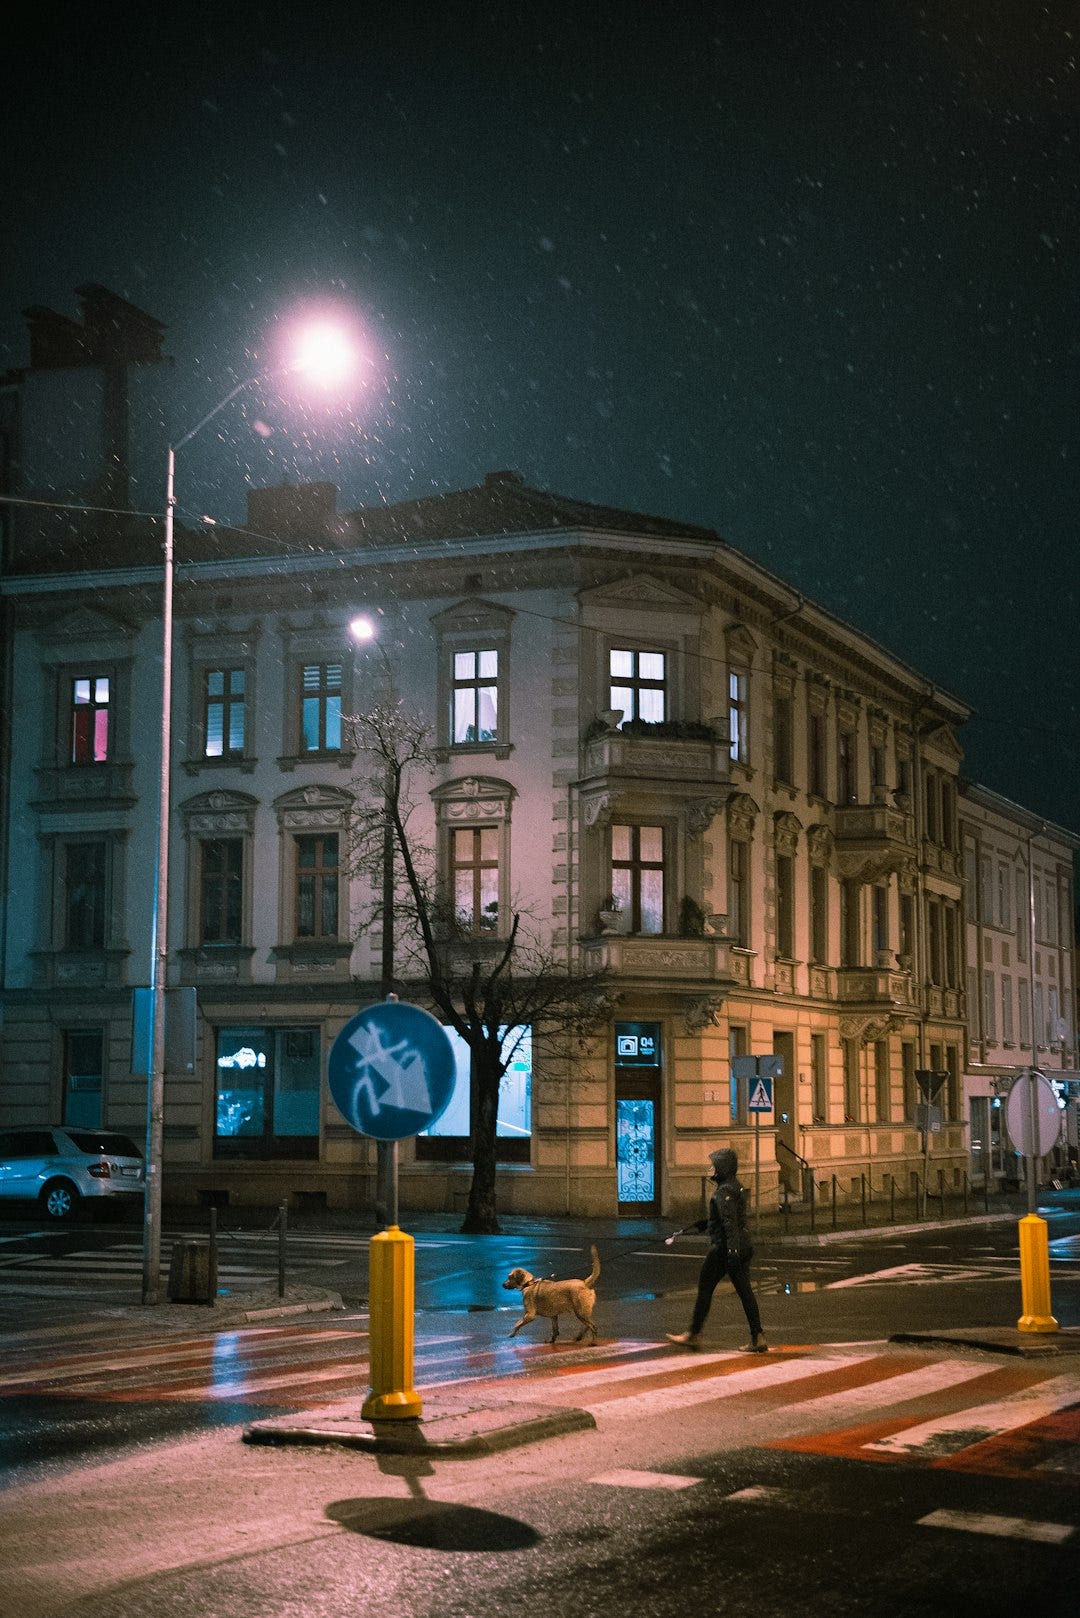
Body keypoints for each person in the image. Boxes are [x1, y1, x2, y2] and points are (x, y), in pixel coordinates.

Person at [664, 1147, 767, 1352]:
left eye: (715, 1165)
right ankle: (758, 1337)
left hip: (724, 1248)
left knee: (705, 1288)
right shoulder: (735, 1186)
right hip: (742, 1245)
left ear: (723, 1167)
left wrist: (732, 1252)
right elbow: (730, 1218)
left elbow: (729, 1223)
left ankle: (693, 1334)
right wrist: (704, 1224)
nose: (711, 1168)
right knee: (745, 1292)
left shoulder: (723, 1191)